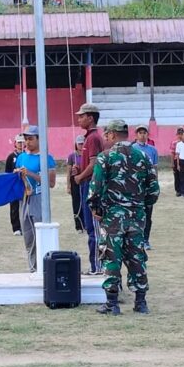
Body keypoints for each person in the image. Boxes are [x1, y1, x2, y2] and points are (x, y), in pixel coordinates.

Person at [88, 120, 158, 315]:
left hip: (113, 217)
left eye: (106, 134)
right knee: (137, 257)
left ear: (112, 135)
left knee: (111, 256)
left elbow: (96, 187)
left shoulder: (106, 157)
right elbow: (154, 189)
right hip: (137, 216)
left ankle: (112, 303)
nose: (105, 137)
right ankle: (141, 302)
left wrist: (96, 209)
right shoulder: (143, 156)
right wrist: (141, 207)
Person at [14, 126, 57, 272]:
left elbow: (51, 183)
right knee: (28, 236)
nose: (27, 142)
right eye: (26, 139)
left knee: (40, 234)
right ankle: (33, 268)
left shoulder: (47, 158)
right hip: (24, 199)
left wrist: (30, 174)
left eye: (31, 139)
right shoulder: (21, 158)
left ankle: (44, 269)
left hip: (39, 199)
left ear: (40, 139)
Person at [72, 103, 105, 275]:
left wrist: (80, 176)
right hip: (87, 184)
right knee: (91, 228)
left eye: (81, 116)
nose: (78, 119)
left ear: (90, 118)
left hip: (91, 186)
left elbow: (94, 164)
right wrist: (79, 169)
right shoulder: (89, 137)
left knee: (94, 228)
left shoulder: (92, 138)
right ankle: (95, 266)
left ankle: (97, 267)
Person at [132, 124, 159, 249]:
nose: (142, 135)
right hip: (135, 187)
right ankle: (136, 239)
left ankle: (146, 240)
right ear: (136, 135)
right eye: (140, 133)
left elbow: (155, 168)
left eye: (144, 133)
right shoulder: (132, 149)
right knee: (136, 214)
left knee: (148, 215)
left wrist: (155, 184)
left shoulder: (153, 150)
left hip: (148, 187)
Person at [4, 135, 25, 236]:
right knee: (14, 206)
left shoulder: (27, 155)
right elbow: (7, 173)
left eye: (22, 142)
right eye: (19, 142)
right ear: (15, 143)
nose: (21, 144)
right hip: (14, 185)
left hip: (25, 184)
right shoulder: (11, 157)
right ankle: (16, 227)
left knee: (25, 206)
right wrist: (14, 171)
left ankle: (25, 226)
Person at [67, 135, 86, 233]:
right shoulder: (72, 156)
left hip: (85, 179)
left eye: (82, 143)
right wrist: (68, 185)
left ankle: (86, 224)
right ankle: (78, 226)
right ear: (76, 144)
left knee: (85, 202)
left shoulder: (87, 154)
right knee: (76, 203)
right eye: (79, 144)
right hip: (74, 181)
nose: (81, 145)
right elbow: (68, 172)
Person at [168, 128, 184, 197]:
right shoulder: (174, 143)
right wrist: (172, 163)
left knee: (183, 176)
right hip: (176, 160)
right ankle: (178, 190)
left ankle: (183, 189)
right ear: (176, 134)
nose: (180, 135)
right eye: (179, 134)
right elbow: (172, 153)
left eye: (181, 134)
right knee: (177, 176)